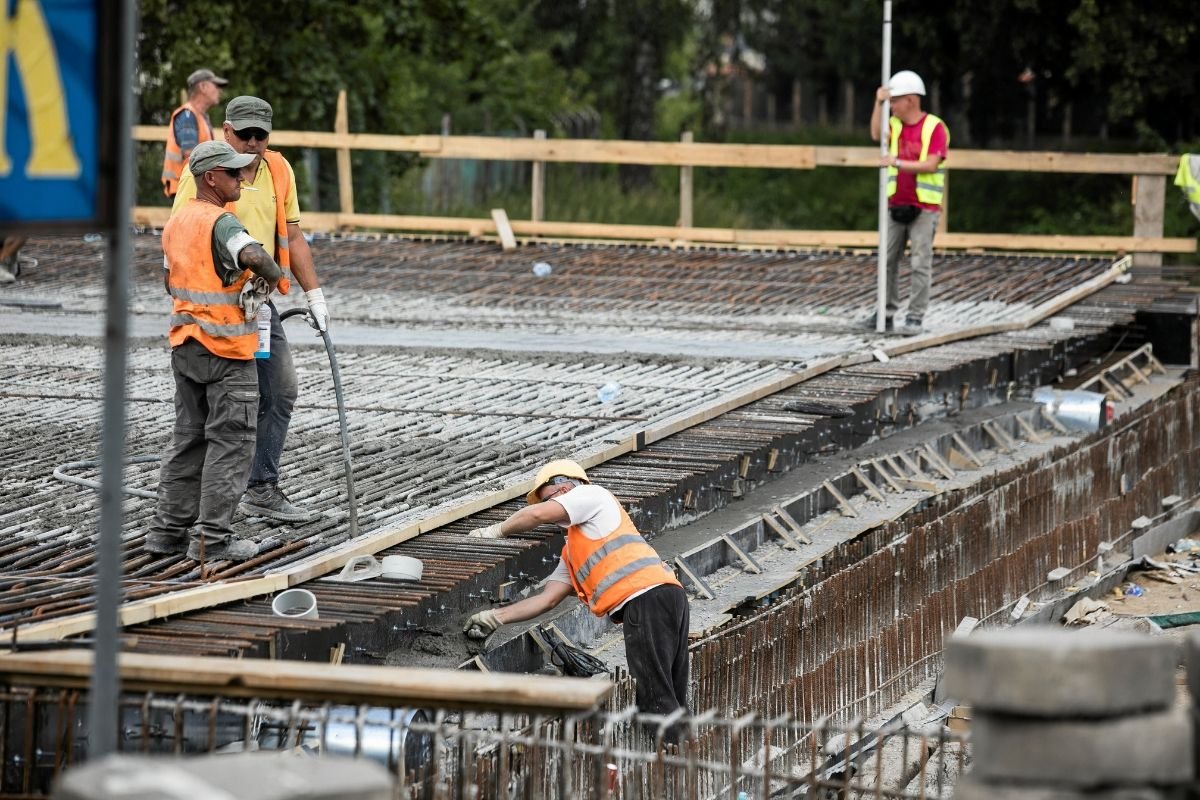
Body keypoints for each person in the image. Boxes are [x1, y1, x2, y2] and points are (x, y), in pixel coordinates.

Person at [172, 95, 329, 523]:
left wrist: (313, 294)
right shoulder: (209, 174)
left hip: (256, 304)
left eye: (261, 135)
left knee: (279, 390)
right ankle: (194, 516)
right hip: (209, 314)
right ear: (226, 132)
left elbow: (293, 237)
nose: (254, 142)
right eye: (245, 134)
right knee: (210, 414)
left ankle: (259, 488)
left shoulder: (279, 169)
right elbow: (181, 234)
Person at [463, 459, 691, 737]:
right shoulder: (574, 548)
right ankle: (680, 746)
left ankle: (670, 760)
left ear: (565, 486)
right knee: (670, 690)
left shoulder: (592, 495)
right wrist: (496, 618)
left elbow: (536, 516)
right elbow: (547, 600)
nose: (546, 508)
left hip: (646, 598)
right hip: (663, 596)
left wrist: (496, 531)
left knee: (656, 694)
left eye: (547, 499)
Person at [146, 140, 284, 562]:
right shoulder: (220, 222)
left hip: (186, 346)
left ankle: (166, 533)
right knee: (232, 443)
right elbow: (254, 256)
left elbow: (171, 282)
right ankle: (212, 541)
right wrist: (272, 276)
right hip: (226, 350)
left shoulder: (177, 221)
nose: (242, 177)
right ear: (210, 178)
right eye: (233, 172)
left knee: (188, 439)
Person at [869, 69, 949, 335]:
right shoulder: (894, 124)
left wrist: (898, 162)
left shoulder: (934, 127)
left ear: (911, 101)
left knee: (919, 263)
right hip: (895, 204)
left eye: (895, 101)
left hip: (924, 208)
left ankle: (915, 316)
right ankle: (886, 312)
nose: (892, 106)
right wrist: (878, 102)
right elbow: (875, 134)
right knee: (888, 260)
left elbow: (931, 163)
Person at [161, 68, 229, 198]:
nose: (219, 91)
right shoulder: (187, 115)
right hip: (185, 188)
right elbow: (191, 155)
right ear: (203, 86)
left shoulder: (199, 116)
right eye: (216, 86)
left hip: (192, 187)